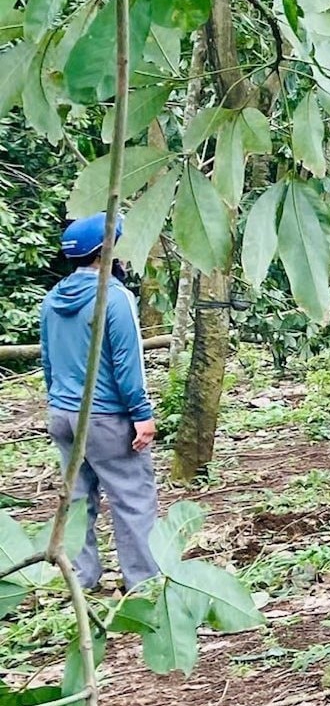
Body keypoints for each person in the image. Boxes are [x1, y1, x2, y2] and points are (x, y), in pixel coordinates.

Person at [40, 212, 161, 591]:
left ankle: (81, 580)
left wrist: (59, 403)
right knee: (133, 498)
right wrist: (142, 414)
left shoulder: (52, 299)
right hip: (106, 417)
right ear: (105, 252)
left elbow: (48, 359)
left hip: (63, 414)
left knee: (77, 500)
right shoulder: (115, 298)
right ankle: (144, 584)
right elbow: (128, 364)